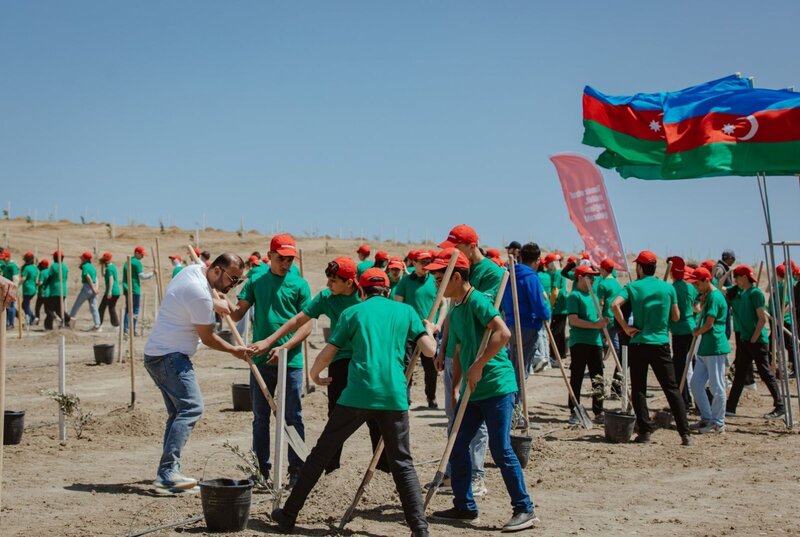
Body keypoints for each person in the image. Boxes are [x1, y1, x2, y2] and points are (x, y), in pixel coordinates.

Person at [271, 268, 435, 537]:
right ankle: (419, 528)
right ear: (388, 291)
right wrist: (428, 330)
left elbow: (328, 353)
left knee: (321, 453)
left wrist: (314, 374)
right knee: (402, 463)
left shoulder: (352, 313)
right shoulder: (406, 312)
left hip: (357, 393)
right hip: (393, 396)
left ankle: (288, 516)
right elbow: (430, 350)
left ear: (361, 291)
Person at [427, 248, 538, 532]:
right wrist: (454, 387)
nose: (437, 286)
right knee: (457, 444)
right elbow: (462, 348)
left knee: (500, 449)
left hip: (497, 386)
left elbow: (503, 333)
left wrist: (479, 365)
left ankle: (524, 509)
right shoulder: (458, 308)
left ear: (458, 277)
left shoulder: (478, 300)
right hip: (472, 391)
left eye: (441, 279)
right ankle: (464, 507)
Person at [144, 253, 250, 494]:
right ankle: (168, 474)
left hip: (158, 355)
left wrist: (215, 301)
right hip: (170, 357)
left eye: (238, 282)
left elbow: (197, 296)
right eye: (232, 279)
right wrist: (235, 350)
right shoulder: (200, 293)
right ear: (216, 270)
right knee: (192, 407)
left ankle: (169, 472)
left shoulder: (193, 271)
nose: (233, 286)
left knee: (178, 413)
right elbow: (208, 337)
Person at [249, 256, 360, 474]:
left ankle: (384, 468)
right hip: (338, 360)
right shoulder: (327, 297)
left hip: (364, 361)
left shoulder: (365, 297)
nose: (327, 285)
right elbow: (297, 321)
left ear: (349, 282)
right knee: (335, 417)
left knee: (375, 419)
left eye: (333, 280)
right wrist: (271, 342)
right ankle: (331, 468)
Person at [230, 233, 311, 486]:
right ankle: (260, 471)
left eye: (290, 259)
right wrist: (220, 300)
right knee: (260, 417)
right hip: (261, 361)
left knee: (293, 416)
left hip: (291, 362)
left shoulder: (300, 284)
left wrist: (284, 348)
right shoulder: (256, 280)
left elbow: (306, 327)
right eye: (281, 258)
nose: (286, 263)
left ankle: (296, 471)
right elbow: (237, 313)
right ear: (270, 255)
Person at [435, 224, 505, 498]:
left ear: (471, 246)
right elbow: (453, 311)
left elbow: (486, 317)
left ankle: (476, 476)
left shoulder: (491, 273)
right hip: (455, 350)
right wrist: (442, 348)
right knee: (452, 413)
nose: (451, 253)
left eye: (456, 248)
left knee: (474, 417)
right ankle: (456, 470)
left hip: (475, 352)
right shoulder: (458, 269)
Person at [612, 250, 693, 447]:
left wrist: (625, 327)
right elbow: (675, 317)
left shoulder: (632, 286)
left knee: (639, 389)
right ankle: (685, 433)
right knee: (671, 389)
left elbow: (615, 305)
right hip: (661, 343)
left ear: (640, 267)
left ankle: (645, 432)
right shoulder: (668, 288)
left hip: (639, 341)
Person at [726, 265, 785, 419]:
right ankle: (730, 407)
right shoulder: (742, 293)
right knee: (739, 375)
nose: (736, 281)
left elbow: (762, 319)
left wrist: (753, 339)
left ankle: (780, 406)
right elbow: (720, 288)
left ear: (744, 277)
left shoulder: (755, 293)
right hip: (746, 340)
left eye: (737, 278)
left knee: (766, 373)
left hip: (757, 342)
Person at [500, 242, 550, 408]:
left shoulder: (510, 274)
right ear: (537, 260)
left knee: (514, 366)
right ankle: (516, 407)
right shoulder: (530, 277)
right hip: (527, 326)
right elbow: (538, 303)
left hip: (511, 325)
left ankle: (511, 405)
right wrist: (546, 314)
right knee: (522, 369)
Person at [687, 267, 730, 434]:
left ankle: (718, 422)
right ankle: (707, 417)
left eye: (698, 283)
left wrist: (697, 331)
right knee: (696, 384)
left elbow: (709, 323)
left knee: (717, 386)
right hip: (706, 348)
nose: (696, 287)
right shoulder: (708, 296)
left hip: (715, 347)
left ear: (706, 280)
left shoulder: (715, 296)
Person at [394, 249, 439, 409]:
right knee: (407, 365)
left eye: (428, 262)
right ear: (414, 263)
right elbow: (398, 304)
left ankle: (431, 398)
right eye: (423, 262)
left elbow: (443, 303)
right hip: (409, 331)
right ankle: (405, 398)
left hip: (429, 332)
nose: (426, 265)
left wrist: (437, 325)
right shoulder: (405, 282)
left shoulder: (434, 280)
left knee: (431, 367)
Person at [566, 264, 607, 425]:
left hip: (595, 341)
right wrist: (595, 325)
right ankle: (574, 410)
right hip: (579, 342)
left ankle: (599, 410)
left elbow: (597, 318)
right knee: (577, 377)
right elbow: (573, 320)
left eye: (593, 276)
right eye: (589, 276)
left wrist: (602, 325)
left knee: (598, 377)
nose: (593, 279)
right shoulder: (574, 296)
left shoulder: (594, 296)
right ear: (580, 277)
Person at [667, 256, 698, 408]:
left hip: (679, 330)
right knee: (691, 365)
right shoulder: (690, 287)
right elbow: (697, 304)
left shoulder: (672, 288)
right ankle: (693, 399)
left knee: (679, 367)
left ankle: (684, 400)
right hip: (691, 327)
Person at [122, 245, 154, 335]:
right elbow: (142, 276)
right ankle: (133, 329)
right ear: (136, 253)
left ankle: (126, 329)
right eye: (141, 254)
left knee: (128, 309)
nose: (142, 256)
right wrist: (153, 273)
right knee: (135, 309)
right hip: (135, 289)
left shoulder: (127, 262)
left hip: (126, 288)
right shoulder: (136, 263)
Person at [68, 251, 101, 331]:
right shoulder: (92, 267)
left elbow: (88, 277)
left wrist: (92, 288)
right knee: (94, 307)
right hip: (93, 287)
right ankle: (97, 325)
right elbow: (96, 278)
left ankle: (69, 322)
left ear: (85, 259)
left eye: (82, 258)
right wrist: (96, 288)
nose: (81, 259)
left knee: (77, 305)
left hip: (87, 287)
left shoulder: (85, 266)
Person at [43, 250, 71, 330]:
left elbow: (50, 277)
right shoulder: (65, 267)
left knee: (49, 309)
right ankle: (67, 319)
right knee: (59, 309)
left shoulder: (53, 266)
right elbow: (66, 277)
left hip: (55, 290)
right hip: (63, 290)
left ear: (55, 257)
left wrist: (45, 287)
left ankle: (49, 326)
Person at [98, 252, 121, 328]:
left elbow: (111, 279)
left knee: (102, 308)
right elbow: (103, 274)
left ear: (110, 260)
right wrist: (102, 266)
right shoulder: (112, 267)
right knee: (111, 307)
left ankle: (99, 324)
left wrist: (109, 291)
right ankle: (116, 325)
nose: (104, 261)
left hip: (112, 291)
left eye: (106, 260)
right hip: (116, 291)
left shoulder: (109, 269)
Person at [19, 252, 39, 326]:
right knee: (26, 304)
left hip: (27, 289)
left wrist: (17, 284)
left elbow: (23, 278)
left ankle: (33, 318)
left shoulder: (27, 268)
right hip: (33, 289)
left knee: (24, 305)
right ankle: (31, 320)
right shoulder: (35, 268)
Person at [1, 250, 19, 327]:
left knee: (11, 307)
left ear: (8, 257)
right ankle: (7, 323)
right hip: (5, 288)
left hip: (11, 289)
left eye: (5, 258)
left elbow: (15, 278)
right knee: (7, 307)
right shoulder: (6, 265)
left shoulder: (13, 265)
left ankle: (11, 323)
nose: (3, 259)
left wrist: (14, 289)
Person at [34, 259, 50, 323]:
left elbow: (40, 282)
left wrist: (36, 283)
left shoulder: (42, 272)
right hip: (48, 293)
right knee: (47, 309)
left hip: (42, 293)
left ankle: (37, 319)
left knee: (37, 307)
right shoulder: (49, 271)